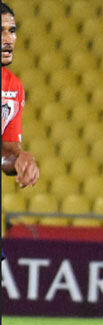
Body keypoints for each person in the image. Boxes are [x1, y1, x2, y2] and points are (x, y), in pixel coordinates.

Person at [1, 1, 39, 190]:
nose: (7, 39)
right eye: (0, 31)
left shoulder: (12, 86)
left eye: (12, 30)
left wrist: (21, 158)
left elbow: (5, 154)